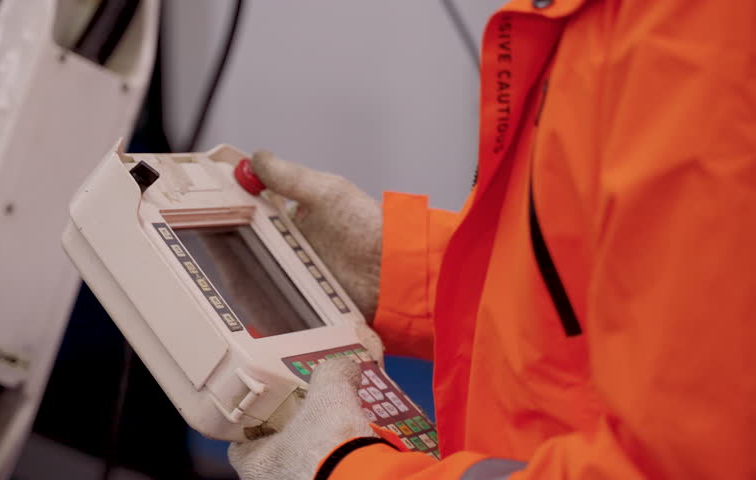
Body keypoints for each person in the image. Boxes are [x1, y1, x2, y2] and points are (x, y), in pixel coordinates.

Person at [227, 0, 756, 478]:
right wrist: (400, 271)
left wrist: (344, 471)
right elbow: (630, 291)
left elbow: (680, 464)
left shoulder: (696, 25)